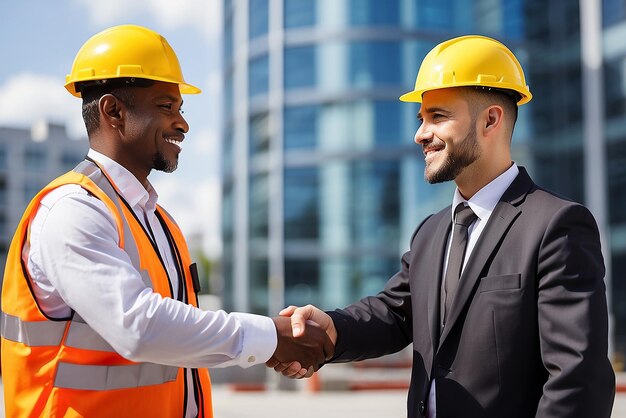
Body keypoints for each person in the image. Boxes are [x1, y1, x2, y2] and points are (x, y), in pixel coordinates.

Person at [267, 35, 616, 417]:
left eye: (438, 116)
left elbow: (577, 381)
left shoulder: (555, 225)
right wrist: (331, 329)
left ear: (490, 119)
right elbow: (395, 314)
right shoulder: (431, 233)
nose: (420, 134)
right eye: (421, 119)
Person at [0, 24, 331, 418]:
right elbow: (138, 326)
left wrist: (270, 343)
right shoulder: (73, 209)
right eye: (165, 106)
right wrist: (270, 337)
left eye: (180, 109)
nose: (183, 123)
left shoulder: (159, 222)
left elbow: (181, 338)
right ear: (113, 111)